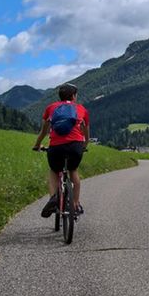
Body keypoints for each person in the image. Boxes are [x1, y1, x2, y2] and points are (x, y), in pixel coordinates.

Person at [32, 83, 89, 217]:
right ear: (74, 96)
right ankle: (75, 204)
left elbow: (43, 131)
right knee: (73, 170)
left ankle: (54, 198)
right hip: (75, 146)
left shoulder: (51, 108)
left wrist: (37, 145)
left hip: (56, 147)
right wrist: (84, 145)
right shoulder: (81, 109)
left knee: (54, 170)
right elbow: (86, 133)